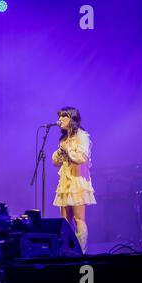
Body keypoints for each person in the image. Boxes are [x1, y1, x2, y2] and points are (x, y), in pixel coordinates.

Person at [52, 107, 96, 253]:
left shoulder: (82, 136)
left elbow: (82, 158)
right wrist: (60, 152)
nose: (60, 120)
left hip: (77, 182)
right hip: (65, 183)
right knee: (64, 222)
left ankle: (81, 252)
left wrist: (68, 150)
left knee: (79, 219)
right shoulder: (64, 139)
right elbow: (56, 162)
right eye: (59, 117)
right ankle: (66, 251)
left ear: (72, 119)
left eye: (64, 117)